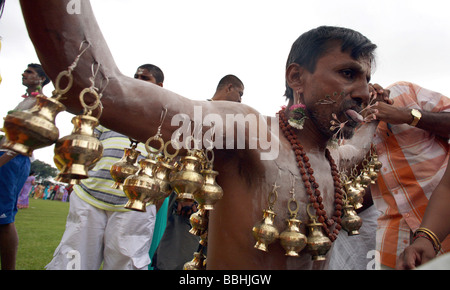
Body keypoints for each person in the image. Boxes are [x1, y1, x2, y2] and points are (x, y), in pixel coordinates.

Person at [21, 1, 380, 269]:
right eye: (348, 73)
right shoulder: (250, 132)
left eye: (366, 80)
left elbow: (363, 143)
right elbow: (99, 87)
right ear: (296, 78)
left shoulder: (337, 161)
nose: (361, 91)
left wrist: (379, 117)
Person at [45, 64, 164, 270]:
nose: (137, 80)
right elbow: (88, 146)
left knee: (127, 264)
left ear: (159, 86)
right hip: (90, 195)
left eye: (145, 78)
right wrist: (77, 181)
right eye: (135, 76)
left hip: (134, 204)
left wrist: (152, 201)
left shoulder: (163, 122)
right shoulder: (109, 111)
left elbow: (164, 168)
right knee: (73, 261)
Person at [151, 75, 244, 270]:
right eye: (240, 93)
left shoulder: (230, 119)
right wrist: (186, 194)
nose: (241, 100)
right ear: (229, 87)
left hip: (215, 198)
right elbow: (177, 151)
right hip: (189, 197)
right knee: (180, 255)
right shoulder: (198, 111)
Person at [0, 61, 49, 269]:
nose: (24, 74)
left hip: (13, 159)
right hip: (6, 154)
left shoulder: (41, 102)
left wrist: (5, 158)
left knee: (3, 218)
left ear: (41, 79)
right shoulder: (28, 100)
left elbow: (30, 136)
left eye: (29, 72)